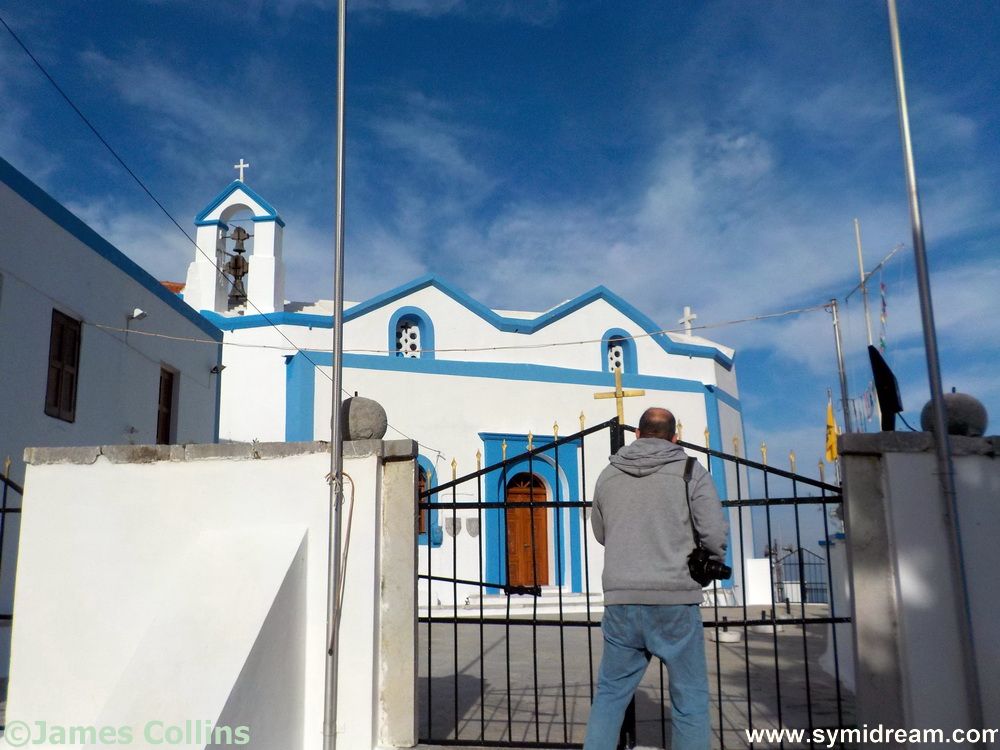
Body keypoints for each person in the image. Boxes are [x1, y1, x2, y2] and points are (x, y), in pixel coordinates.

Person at [584, 407, 728, 750]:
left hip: (622, 598)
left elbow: (601, 532)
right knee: (689, 697)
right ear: (675, 437)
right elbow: (713, 533)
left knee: (610, 695)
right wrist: (711, 559)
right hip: (675, 597)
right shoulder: (691, 470)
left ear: (637, 434)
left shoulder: (608, 474)